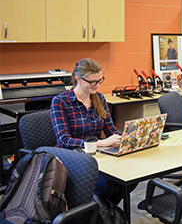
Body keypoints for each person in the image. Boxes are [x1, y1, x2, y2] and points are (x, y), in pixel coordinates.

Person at [50, 58, 132, 205]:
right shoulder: (60, 101)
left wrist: (130, 137)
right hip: (71, 157)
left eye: (100, 80)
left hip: (97, 156)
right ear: (78, 79)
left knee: (130, 179)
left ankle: (104, 212)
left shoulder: (99, 98)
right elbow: (63, 140)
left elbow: (111, 131)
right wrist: (100, 143)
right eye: (92, 82)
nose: (97, 85)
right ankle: (95, 215)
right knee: (103, 185)